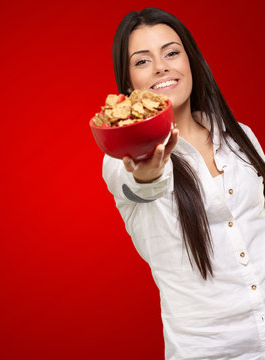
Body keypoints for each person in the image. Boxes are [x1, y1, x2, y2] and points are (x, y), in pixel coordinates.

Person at [102, 8, 265, 360]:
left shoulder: (241, 138)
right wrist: (148, 171)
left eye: (171, 52)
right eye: (143, 61)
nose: (161, 67)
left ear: (190, 61)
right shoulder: (122, 157)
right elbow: (140, 183)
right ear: (130, 83)